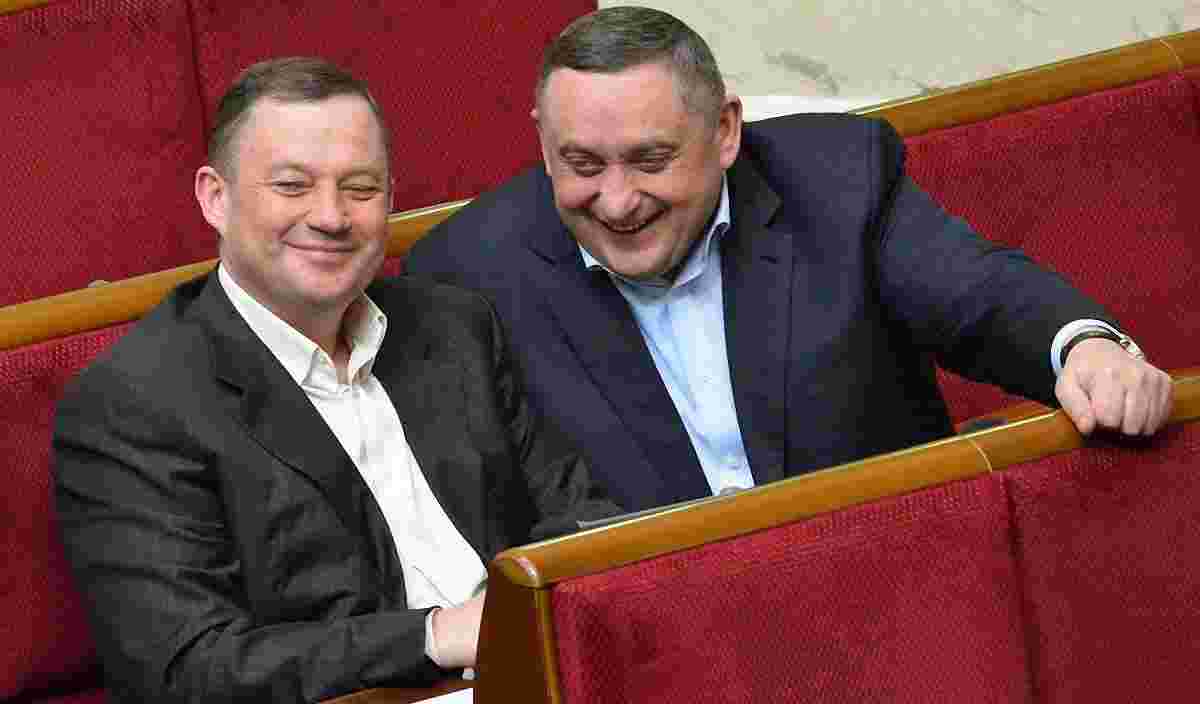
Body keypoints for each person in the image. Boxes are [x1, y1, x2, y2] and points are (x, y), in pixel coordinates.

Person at [405, 7, 1174, 513]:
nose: (616, 200)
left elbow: (978, 295)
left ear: (725, 131)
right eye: (581, 164)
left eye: (649, 160)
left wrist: (1084, 347)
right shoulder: (468, 273)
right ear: (544, 144)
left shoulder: (836, 179)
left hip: (891, 589)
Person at [53, 57, 617, 703]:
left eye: (361, 187)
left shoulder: (454, 326)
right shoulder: (133, 403)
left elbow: (577, 515)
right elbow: (184, 669)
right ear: (215, 197)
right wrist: (435, 635)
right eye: (292, 186)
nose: (331, 215)